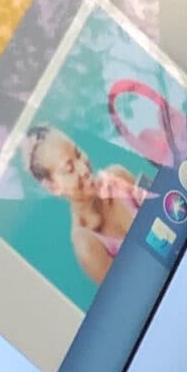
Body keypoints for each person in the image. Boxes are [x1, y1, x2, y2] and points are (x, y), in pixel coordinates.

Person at [22, 124, 147, 289]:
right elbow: (130, 293)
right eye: (69, 169)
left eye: (78, 154)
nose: (83, 169)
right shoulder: (86, 244)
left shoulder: (118, 176)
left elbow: (168, 207)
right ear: (54, 187)